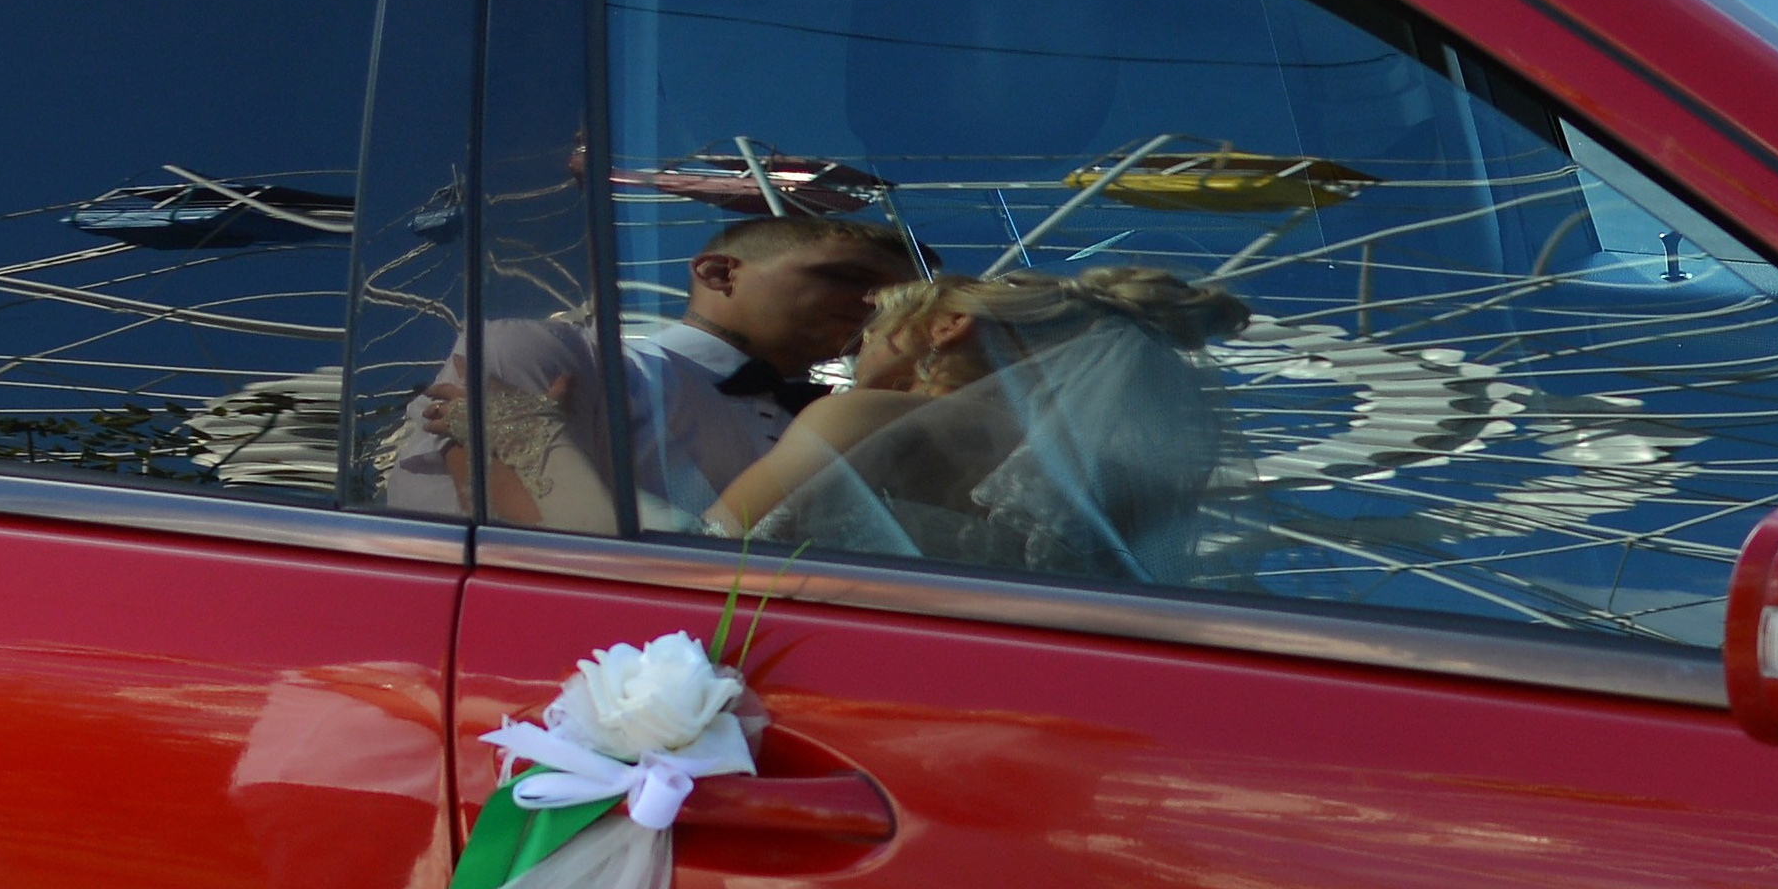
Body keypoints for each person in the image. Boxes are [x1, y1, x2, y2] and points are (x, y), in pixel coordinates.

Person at [713, 266, 1253, 582]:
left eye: (877, 329)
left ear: (948, 326)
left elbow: (716, 548)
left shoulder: (864, 416)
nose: (861, 348)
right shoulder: (1106, 476)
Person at [387, 215, 929, 527]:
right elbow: (515, 555)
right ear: (719, 274)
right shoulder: (546, 353)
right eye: (852, 278)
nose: (881, 305)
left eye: (905, 298)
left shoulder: (866, 424)